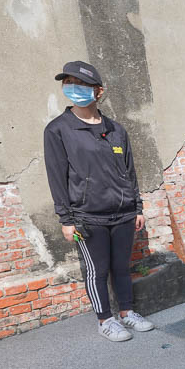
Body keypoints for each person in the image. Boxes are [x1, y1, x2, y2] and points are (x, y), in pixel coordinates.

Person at [43, 61, 155, 342]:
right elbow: (57, 177)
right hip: (87, 216)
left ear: (98, 91)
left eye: (81, 84)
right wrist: (66, 220)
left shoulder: (116, 130)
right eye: (69, 83)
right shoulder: (59, 130)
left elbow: (129, 171)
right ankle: (105, 319)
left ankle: (127, 312)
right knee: (97, 270)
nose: (74, 89)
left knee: (121, 267)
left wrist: (137, 207)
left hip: (123, 214)